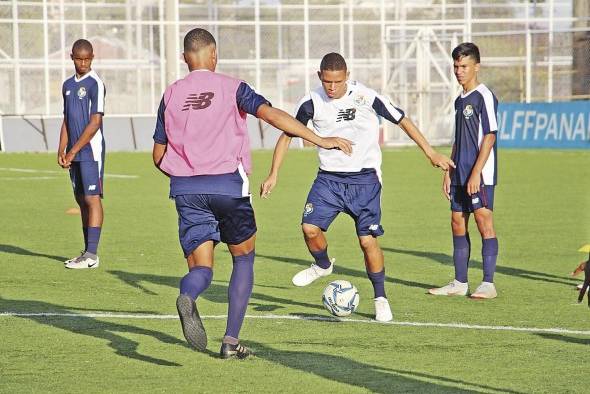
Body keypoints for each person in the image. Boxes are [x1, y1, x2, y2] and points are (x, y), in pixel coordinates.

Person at [152, 29, 352, 359]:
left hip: (187, 191)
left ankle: (188, 295)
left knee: (201, 269)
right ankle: (230, 341)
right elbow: (272, 115)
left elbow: (158, 156)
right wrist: (320, 139)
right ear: (213, 55)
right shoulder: (233, 88)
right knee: (243, 258)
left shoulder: (171, 94)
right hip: (229, 187)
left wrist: (185, 177)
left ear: (185, 58)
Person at [260, 52, 454, 322]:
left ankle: (380, 297)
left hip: (365, 180)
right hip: (328, 180)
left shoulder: (366, 96)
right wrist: (273, 174)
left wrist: (431, 153)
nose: (332, 87)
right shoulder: (310, 102)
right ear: (320, 77)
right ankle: (322, 265)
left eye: (337, 81)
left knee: (367, 241)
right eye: (327, 81)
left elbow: (403, 120)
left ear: (346, 77)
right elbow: (287, 135)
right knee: (309, 228)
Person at [429, 42, 500, 299]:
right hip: (459, 171)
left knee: (483, 221)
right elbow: (459, 139)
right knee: (457, 221)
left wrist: (476, 172)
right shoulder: (459, 99)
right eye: (456, 66)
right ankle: (460, 283)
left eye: (464, 66)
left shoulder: (484, 96)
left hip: (479, 173)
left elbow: (490, 137)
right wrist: (449, 170)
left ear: (476, 67)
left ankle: (488, 284)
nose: (459, 71)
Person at [58, 39, 106, 270]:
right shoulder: (67, 85)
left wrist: (74, 149)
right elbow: (67, 120)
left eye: (87, 59)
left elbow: (95, 122)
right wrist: (62, 150)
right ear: (72, 57)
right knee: (80, 200)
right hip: (74, 152)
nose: (83, 62)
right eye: (79, 58)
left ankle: (92, 254)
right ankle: (86, 253)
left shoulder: (95, 83)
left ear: (93, 57)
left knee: (92, 198)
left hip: (90, 151)